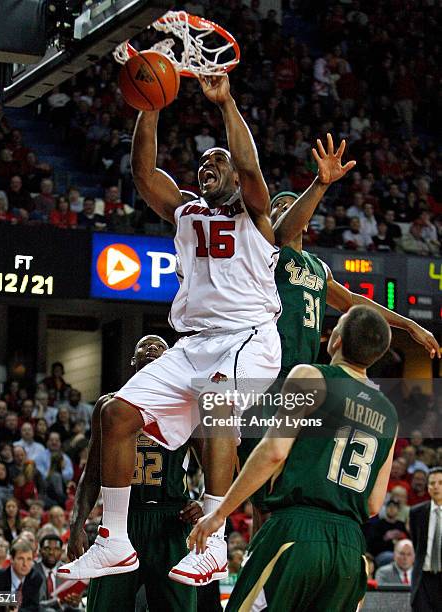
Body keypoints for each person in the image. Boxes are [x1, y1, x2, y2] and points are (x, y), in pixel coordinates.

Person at [60, 73, 306, 584]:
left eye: (217, 161)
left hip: (250, 338)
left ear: (235, 178)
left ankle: (215, 541)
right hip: (196, 343)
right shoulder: (186, 210)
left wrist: (226, 102)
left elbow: (249, 166)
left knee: (218, 406)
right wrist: (150, 105)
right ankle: (115, 541)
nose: (207, 166)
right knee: (115, 411)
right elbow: (144, 172)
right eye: (202, 163)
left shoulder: (257, 215)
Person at [239, 187, 439, 530]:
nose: (285, 212)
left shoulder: (317, 267)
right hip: (268, 376)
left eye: (291, 207)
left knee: (295, 482)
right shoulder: (266, 255)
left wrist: (408, 325)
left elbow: (352, 303)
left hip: (305, 381)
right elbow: (283, 233)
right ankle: (261, 573)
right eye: (278, 208)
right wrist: (320, 183)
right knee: (265, 491)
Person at [190, 305, 399, 611]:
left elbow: (274, 451)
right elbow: (373, 504)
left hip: (296, 532)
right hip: (351, 549)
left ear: (336, 339)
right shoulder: (390, 415)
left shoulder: (310, 376)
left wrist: (220, 512)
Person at [68, 335, 201, 611]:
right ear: (133, 361)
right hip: (122, 520)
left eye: (159, 346)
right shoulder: (110, 405)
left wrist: (205, 504)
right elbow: (91, 472)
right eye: (144, 345)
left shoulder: (187, 403)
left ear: (169, 360)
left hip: (170, 520)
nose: (151, 348)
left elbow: (213, 460)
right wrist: (77, 522)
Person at [409, 466, 442, 611]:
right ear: (427, 487)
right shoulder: (416, 512)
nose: (436, 487)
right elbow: (417, 544)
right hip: (423, 579)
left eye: (441, 483)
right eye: (432, 483)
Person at [0, 539, 42, 612]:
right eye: (21, 559)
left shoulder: (35, 578)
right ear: (11, 559)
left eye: (29, 559)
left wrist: (17, 611)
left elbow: (34, 608)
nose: (25, 564)